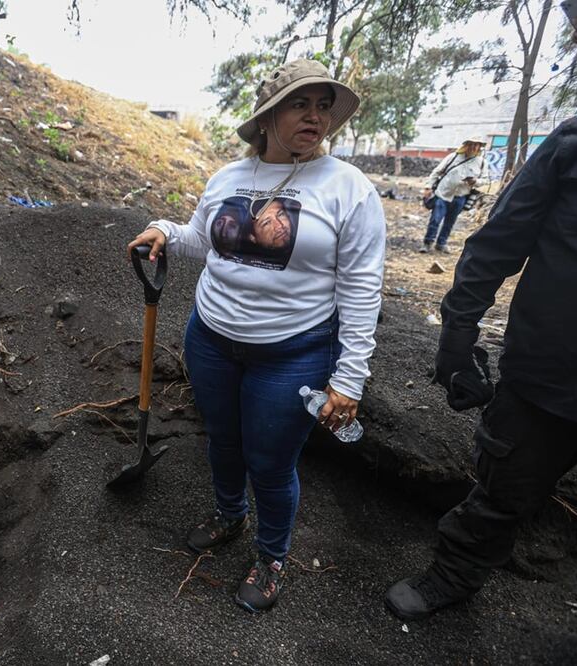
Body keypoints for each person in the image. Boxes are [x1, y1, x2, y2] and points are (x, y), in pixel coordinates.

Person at [128, 59, 385, 613]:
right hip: (212, 338)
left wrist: (349, 377)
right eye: (301, 104)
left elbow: (362, 290)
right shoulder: (229, 177)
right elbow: (204, 242)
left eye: (324, 105)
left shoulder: (349, 189)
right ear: (268, 117)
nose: (316, 116)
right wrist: (166, 232)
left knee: (269, 462)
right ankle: (228, 514)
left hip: (293, 352)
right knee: (222, 441)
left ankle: (271, 556)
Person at [383, 101, 577, 657]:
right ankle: (455, 575)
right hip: (550, 370)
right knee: (504, 485)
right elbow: (501, 238)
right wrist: (457, 333)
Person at [419, 137, 487, 254]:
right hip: (443, 194)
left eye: (477, 145)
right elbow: (436, 172)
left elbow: (485, 180)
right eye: (471, 144)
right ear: (466, 145)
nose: (474, 147)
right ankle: (428, 243)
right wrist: (428, 187)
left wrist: (475, 182)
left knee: (450, 222)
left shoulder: (481, 163)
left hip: (461, 197)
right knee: (435, 220)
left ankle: (441, 244)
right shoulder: (453, 157)